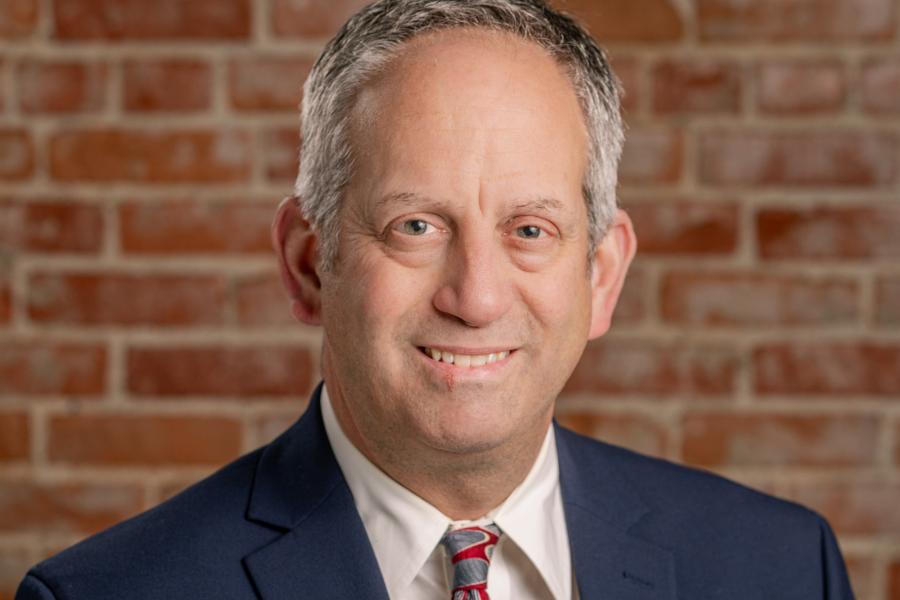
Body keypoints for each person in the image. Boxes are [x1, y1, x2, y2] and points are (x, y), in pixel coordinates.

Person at [17, 1, 854, 599]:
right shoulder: (113, 591)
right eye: (416, 225)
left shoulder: (780, 568)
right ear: (310, 264)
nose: (476, 295)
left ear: (602, 276)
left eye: (530, 230)